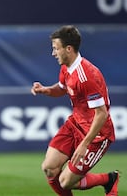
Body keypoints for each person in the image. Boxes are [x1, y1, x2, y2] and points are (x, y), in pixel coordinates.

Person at [30, 25, 119, 196]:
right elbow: (63, 88)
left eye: (56, 48)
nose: (53, 53)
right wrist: (46, 90)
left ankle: (108, 179)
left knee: (65, 181)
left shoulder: (87, 76)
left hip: (97, 135)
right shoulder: (66, 68)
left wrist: (84, 144)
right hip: (75, 124)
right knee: (49, 169)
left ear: (68, 49)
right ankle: (108, 180)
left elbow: (102, 114)